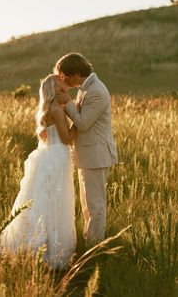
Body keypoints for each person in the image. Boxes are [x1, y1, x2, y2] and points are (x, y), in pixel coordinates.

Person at [0, 74, 77, 269]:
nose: (65, 85)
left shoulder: (45, 109)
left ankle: (30, 244)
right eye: (61, 84)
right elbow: (67, 139)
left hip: (48, 155)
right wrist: (80, 123)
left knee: (42, 201)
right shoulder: (58, 110)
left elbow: (47, 137)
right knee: (57, 202)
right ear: (54, 88)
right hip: (58, 156)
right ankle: (51, 250)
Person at [54, 53, 118, 244]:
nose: (64, 81)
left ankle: (95, 248)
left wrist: (67, 102)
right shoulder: (86, 88)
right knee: (87, 204)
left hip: (96, 156)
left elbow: (82, 123)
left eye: (64, 76)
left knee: (96, 206)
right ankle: (89, 241)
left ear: (75, 74)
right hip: (87, 155)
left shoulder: (96, 91)